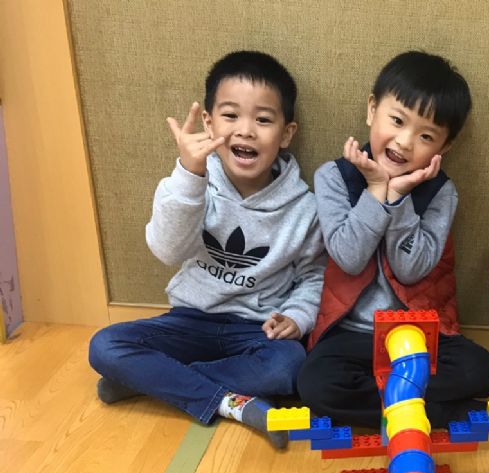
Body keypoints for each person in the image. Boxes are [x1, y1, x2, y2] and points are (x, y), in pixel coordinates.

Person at [89, 51, 325, 449]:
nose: (245, 131)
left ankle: (154, 382)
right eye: (231, 116)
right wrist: (189, 175)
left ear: (286, 134)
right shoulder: (188, 183)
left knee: (289, 366)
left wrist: (298, 316)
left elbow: (314, 275)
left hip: (255, 330)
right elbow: (168, 251)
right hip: (188, 321)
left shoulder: (305, 208)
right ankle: (232, 403)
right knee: (105, 346)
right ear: (208, 123)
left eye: (263, 119)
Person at [296, 51, 489, 428]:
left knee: (478, 370)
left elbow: (410, 270)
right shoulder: (333, 177)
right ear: (372, 110)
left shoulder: (441, 193)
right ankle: (432, 410)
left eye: (425, 136)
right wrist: (375, 191)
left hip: (421, 333)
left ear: (444, 148)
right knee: (314, 384)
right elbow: (349, 258)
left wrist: (399, 197)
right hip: (351, 333)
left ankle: (393, 400)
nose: (404, 142)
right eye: (397, 120)